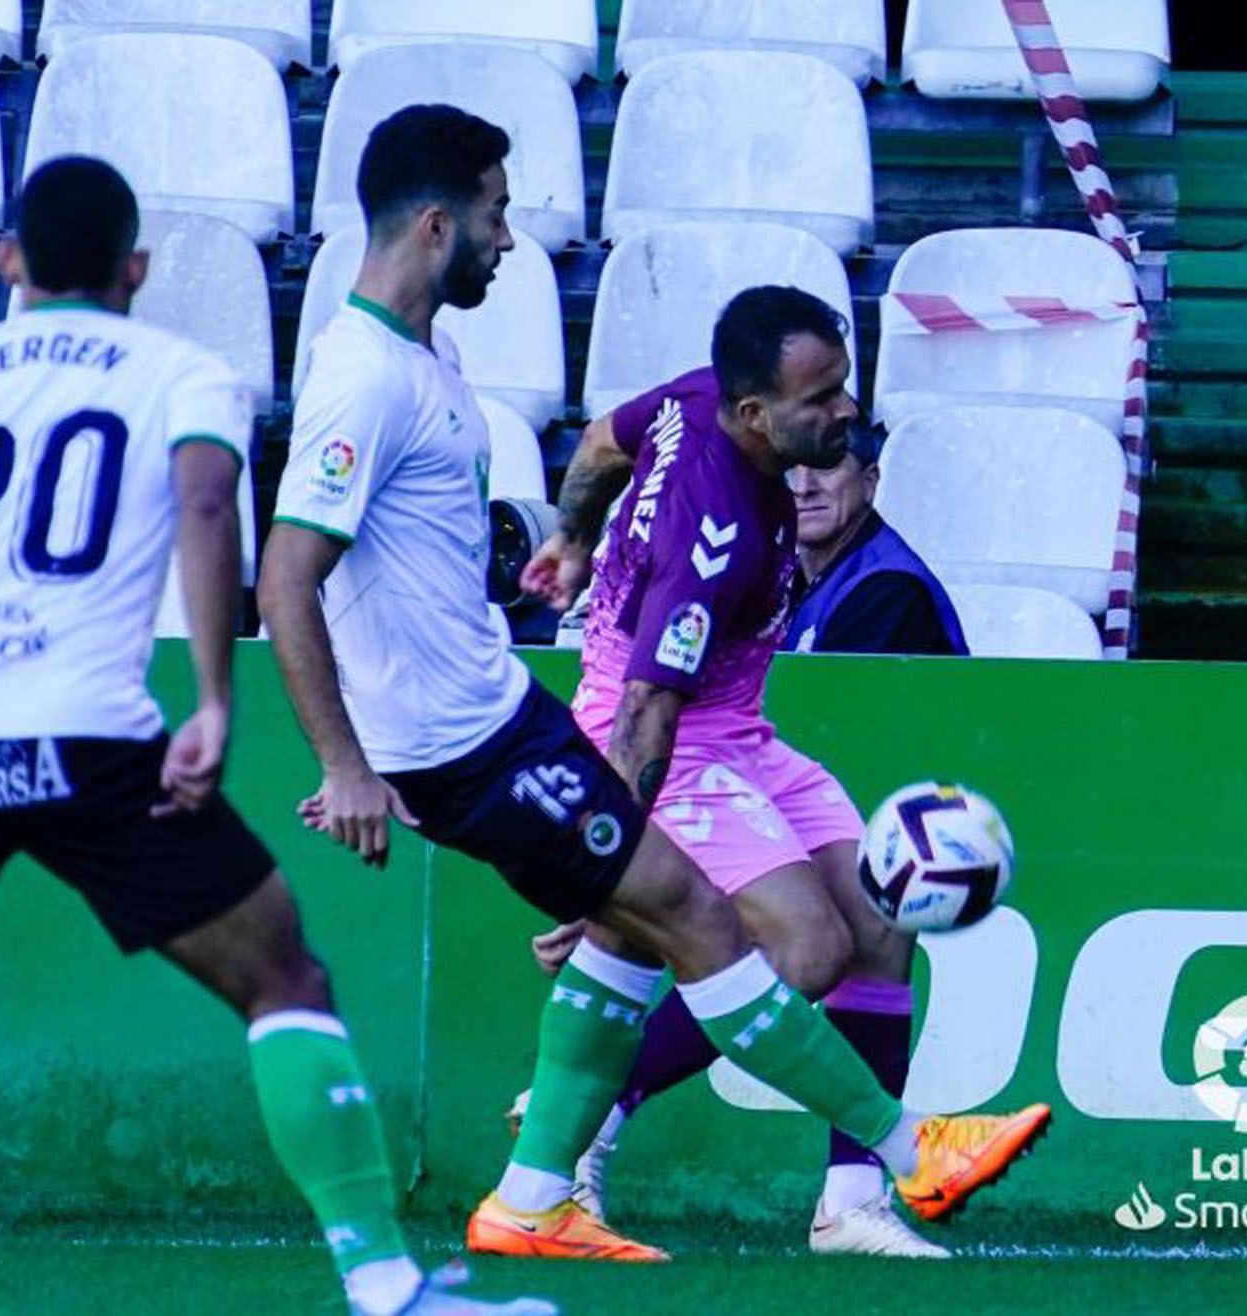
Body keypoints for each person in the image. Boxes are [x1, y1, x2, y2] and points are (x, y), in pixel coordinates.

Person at [0, 157, 552, 1316]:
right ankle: (384, 1282)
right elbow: (205, 505)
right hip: (88, 734)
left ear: (9, 262)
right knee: (283, 978)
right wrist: (211, 696)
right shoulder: (180, 372)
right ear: (135, 269)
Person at [258, 105, 1046, 1266]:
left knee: (660, 930)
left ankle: (541, 1195)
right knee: (693, 917)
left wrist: (568, 540)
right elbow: (286, 573)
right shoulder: (367, 383)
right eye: (494, 212)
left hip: (496, 708)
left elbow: (596, 448)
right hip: (462, 745)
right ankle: (908, 1143)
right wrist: (344, 758)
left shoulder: (432, 357)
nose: (511, 239)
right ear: (435, 225)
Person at [517, 380, 995, 1259]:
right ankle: (583, 1122)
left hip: (737, 728)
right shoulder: (718, 532)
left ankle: (850, 1207)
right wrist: (599, 881)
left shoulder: (695, 400)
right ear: (758, 415)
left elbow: (594, 444)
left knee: (881, 919)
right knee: (807, 951)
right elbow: (645, 714)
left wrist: (572, 538)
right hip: (670, 734)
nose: (845, 411)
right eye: (824, 399)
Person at [782, 421, 967, 656]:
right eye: (786, 468)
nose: (803, 487)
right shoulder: (791, 579)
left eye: (825, 465)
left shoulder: (890, 593)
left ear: (870, 482)